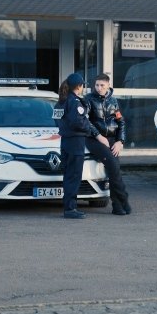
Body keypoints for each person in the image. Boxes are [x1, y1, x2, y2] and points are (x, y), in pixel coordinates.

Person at [56, 74, 109, 219]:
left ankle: (69, 207)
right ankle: (70, 209)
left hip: (65, 141)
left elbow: (56, 120)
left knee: (68, 176)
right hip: (76, 142)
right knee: (74, 176)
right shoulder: (74, 102)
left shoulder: (61, 101)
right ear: (78, 86)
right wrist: (88, 129)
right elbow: (78, 122)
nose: (83, 87)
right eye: (82, 85)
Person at [85, 73, 132, 216]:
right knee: (113, 166)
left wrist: (120, 141)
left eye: (102, 85)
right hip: (94, 139)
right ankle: (124, 199)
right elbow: (85, 121)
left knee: (114, 170)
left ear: (108, 86)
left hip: (111, 140)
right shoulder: (88, 99)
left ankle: (117, 206)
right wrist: (98, 136)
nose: (99, 88)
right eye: (97, 85)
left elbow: (121, 122)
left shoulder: (113, 101)